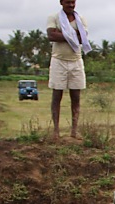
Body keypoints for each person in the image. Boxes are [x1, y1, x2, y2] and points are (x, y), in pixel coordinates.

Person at [47, 0, 92, 139]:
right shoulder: (54, 18)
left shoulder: (81, 19)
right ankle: (56, 131)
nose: (71, 5)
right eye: (68, 2)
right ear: (61, 2)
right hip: (58, 60)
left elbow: (82, 38)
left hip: (76, 61)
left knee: (76, 97)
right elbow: (51, 36)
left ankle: (74, 130)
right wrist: (72, 35)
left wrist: (63, 34)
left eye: (73, 2)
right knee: (57, 95)